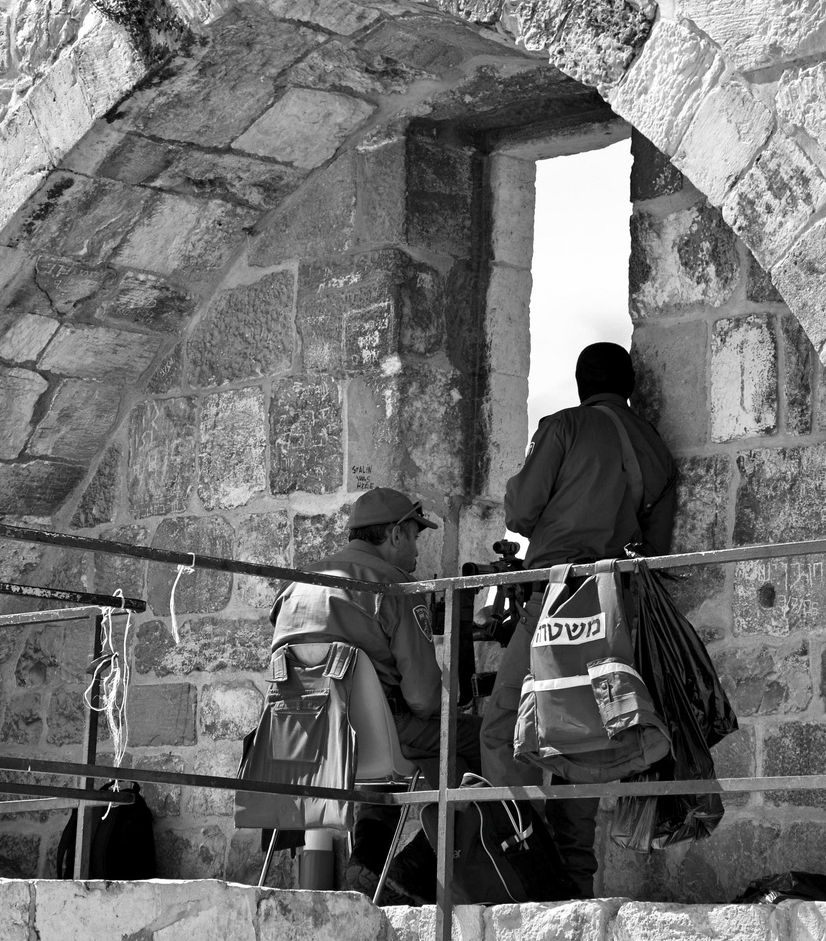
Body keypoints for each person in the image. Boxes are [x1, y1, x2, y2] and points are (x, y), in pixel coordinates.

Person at [481, 342, 677, 897]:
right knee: (587, 738)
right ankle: (573, 877)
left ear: (579, 384)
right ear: (631, 387)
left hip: (555, 597)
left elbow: (520, 511)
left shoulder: (565, 426)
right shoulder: (656, 450)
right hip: (616, 607)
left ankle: (520, 849)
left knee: (501, 724)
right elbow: (657, 547)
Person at [271, 485, 483, 901]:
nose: (419, 550)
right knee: (488, 741)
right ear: (396, 534)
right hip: (376, 738)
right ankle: (413, 870)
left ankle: (368, 863)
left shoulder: (294, 587)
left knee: (386, 738)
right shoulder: (395, 587)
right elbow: (423, 698)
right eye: (417, 536)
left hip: (302, 745)